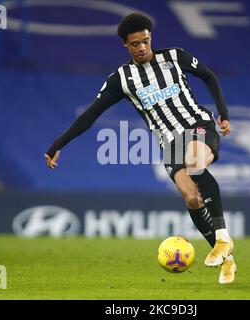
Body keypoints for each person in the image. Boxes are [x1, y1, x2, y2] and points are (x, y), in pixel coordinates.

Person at [45, 13, 236, 284]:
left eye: (146, 41)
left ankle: (223, 239)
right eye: (135, 44)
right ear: (125, 45)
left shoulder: (174, 56)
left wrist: (223, 113)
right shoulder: (121, 79)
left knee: (195, 163)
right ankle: (227, 259)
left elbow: (209, 76)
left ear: (150, 38)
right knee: (191, 198)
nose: (142, 47)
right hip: (169, 142)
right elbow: (90, 114)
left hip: (197, 124)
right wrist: (58, 144)